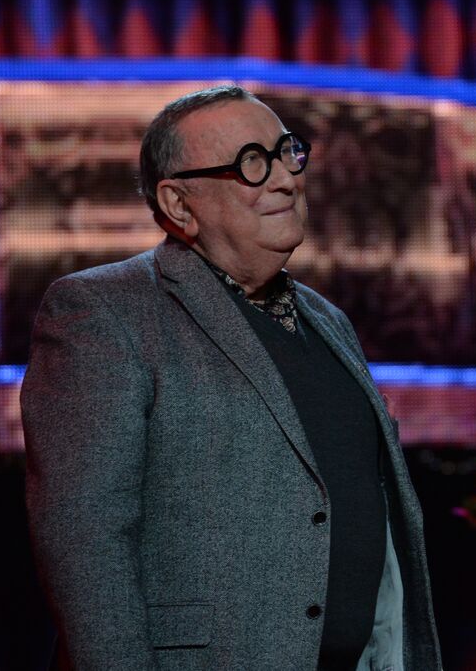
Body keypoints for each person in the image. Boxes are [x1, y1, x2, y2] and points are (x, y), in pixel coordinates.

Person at [22, 86, 441, 670]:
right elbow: (84, 544)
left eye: (287, 152)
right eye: (252, 163)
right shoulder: (105, 312)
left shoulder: (329, 321)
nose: (285, 179)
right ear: (179, 204)